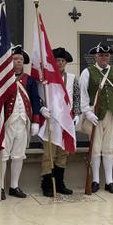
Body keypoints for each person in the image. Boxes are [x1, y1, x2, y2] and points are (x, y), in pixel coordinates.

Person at [79, 43, 113, 193]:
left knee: (108, 148)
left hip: (112, 114)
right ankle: (95, 180)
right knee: (95, 149)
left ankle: (109, 181)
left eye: (107, 55)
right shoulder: (87, 72)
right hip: (95, 115)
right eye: (101, 55)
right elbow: (83, 93)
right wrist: (87, 112)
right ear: (96, 56)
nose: (104, 58)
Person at [0, 46, 44, 199]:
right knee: (2, 156)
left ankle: (14, 186)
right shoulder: (3, 79)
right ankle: (0, 187)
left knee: (18, 156)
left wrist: (36, 121)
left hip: (22, 122)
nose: (18, 62)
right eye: (15, 59)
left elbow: (35, 100)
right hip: (6, 123)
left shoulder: (29, 80)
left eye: (21, 60)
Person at [39, 47, 80, 197]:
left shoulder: (72, 78)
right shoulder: (46, 78)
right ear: (53, 62)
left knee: (63, 154)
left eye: (63, 61)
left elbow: (76, 97)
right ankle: (47, 184)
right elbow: (39, 96)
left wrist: (77, 113)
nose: (60, 63)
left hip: (66, 122)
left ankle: (60, 183)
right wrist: (42, 108)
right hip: (51, 121)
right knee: (49, 154)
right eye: (57, 60)